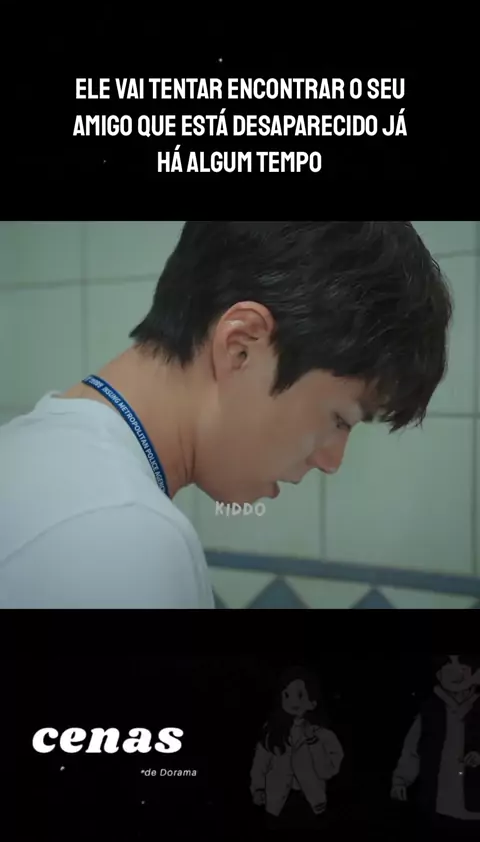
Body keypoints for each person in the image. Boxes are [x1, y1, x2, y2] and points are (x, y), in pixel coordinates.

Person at [0, 221, 453, 608]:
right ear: (241, 347)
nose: (331, 461)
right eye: (341, 418)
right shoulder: (125, 536)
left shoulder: (28, 450)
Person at [390, 654, 480, 840]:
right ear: (439, 674)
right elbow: (412, 750)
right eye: (449, 665)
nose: (457, 673)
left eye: (462, 667)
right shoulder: (429, 710)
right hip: (438, 805)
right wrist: (400, 781)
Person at [250, 665, 343, 829]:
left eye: (300, 695)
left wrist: (313, 741)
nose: (293, 701)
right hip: (277, 806)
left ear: (312, 702)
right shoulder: (272, 730)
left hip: (310, 806)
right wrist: (257, 789)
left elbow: (328, 771)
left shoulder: (324, 735)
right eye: (287, 695)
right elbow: (260, 763)